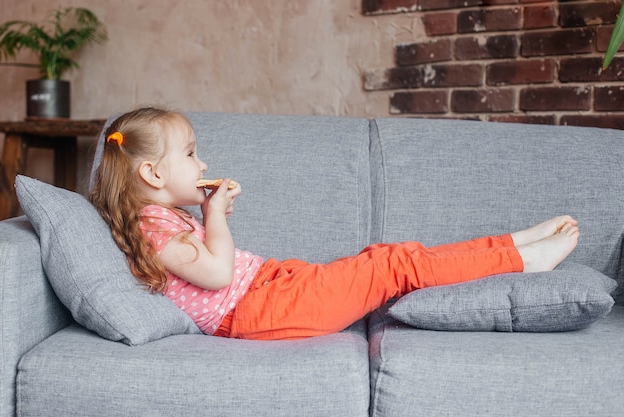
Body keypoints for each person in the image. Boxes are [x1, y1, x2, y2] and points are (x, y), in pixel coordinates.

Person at [89, 107, 580, 341]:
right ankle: (518, 259)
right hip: (258, 311)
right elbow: (217, 275)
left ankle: (510, 246)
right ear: (151, 173)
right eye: (191, 154)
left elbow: (213, 263)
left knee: (387, 257)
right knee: (392, 266)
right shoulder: (150, 228)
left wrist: (207, 217)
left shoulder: (162, 217)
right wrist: (214, 215)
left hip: (271, 283)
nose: (202, 164)